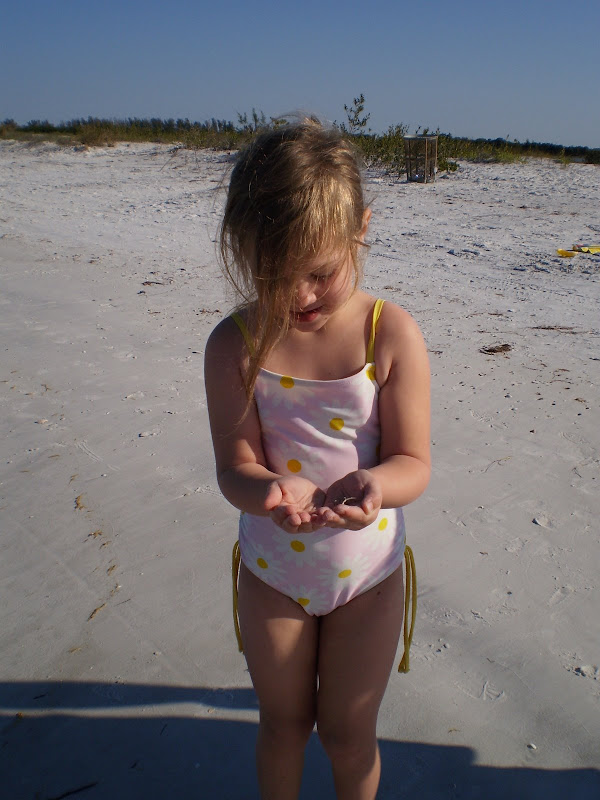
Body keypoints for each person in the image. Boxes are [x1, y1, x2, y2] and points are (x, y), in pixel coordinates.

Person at [204, 119, 430, 800]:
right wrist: (272, 489)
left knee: (349, 734)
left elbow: (413, 461)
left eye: (320, 274)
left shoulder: (388, 332)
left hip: (368, 578)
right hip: (274, 574)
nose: (299, 296)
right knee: (283, 724)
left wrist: (375, 485)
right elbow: (232, 467)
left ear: (361, 228)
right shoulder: (234, 345)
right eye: (275, 276)